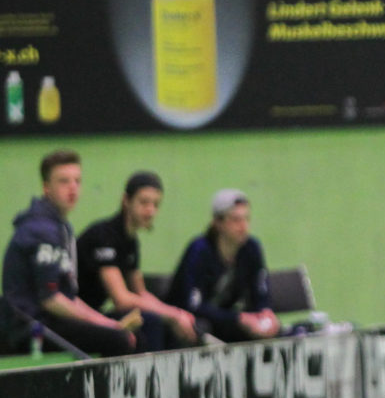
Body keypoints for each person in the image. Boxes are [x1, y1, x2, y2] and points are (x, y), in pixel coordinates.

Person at [1, 149, 137, 356]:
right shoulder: (40, 230)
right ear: (47, 187)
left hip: (50, 320)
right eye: (64, 181)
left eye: (77, 181)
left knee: (128, 332)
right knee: (117, 340)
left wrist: (107, 322)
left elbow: (68, 296)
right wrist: (105, 324)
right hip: (28, 329)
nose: (73, 188)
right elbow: (51, 300)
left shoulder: (60, 227)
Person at [76, 171, 198, 349]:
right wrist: (173, 314)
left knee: (170, 324)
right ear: (126, 201)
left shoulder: (131, 242)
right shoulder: (104, 237)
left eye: (156, 204)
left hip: (97, 315)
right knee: (151, 322)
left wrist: (179, 315)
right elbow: (122, 299)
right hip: (77, 317)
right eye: (144, 202)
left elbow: (140, 293)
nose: (151, 210)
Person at [167, 188, 279, 343]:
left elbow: (260, 291)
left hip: (228, 322)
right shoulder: (199, 250)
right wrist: (238, 318)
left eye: (247, 219)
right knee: (202, 327)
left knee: (271, 331)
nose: (243, 226)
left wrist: (266, 313)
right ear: (217, 223)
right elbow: (193, 305)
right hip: (192, 327)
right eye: (236, 220)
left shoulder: (251, 248)